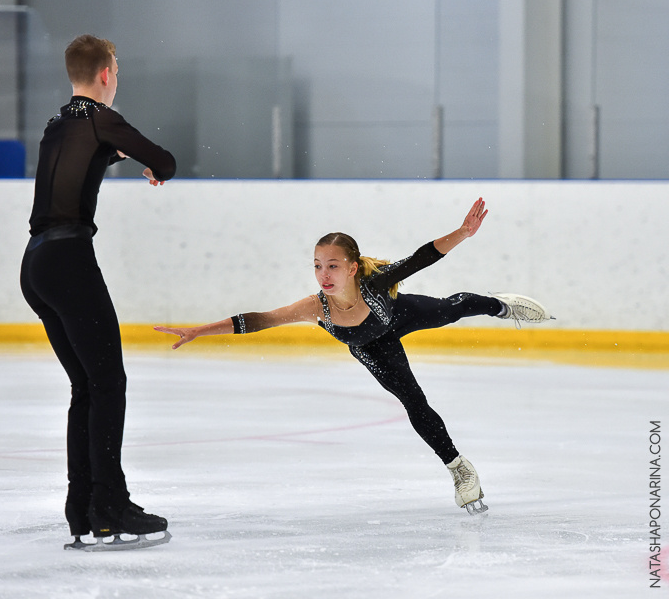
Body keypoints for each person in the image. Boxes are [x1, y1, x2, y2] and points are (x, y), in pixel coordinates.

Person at [155, 199, 552, 515]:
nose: (323, 275)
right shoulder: (315, 307)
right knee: (413, 400)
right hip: (371, 346)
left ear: (352, 267)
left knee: (454, 307)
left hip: (400, 313)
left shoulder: (376, 282)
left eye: (332, 266)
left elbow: (421, 257)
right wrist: (200, 330)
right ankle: (459, 468)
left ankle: (500, 306)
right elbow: (261, 320)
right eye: (316, 266)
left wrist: (463, 233)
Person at [20, 34, 176, 546]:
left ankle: (82, 507)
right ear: (108, 73)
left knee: (86, 388)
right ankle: (109, 505)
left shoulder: (58, 122)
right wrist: (144, 159)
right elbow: (165, 160)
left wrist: (120, 157)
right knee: (108, 385)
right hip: (68, 262)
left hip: (37, 264)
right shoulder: (100, 118)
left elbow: (81, 162)